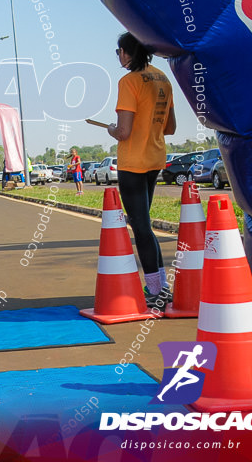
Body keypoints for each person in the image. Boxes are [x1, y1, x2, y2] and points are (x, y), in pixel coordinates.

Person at [107, 32, 177, 307]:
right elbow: (171, 128)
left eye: (118, 51)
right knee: (144, 224)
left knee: (141, 225)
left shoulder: (129, 81)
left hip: (133, 162)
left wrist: (113, 129)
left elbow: (123, 131)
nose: (119, 56)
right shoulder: (162, 78)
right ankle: (162, 285)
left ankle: (155, 289)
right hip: (155, 158)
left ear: (127, 52)